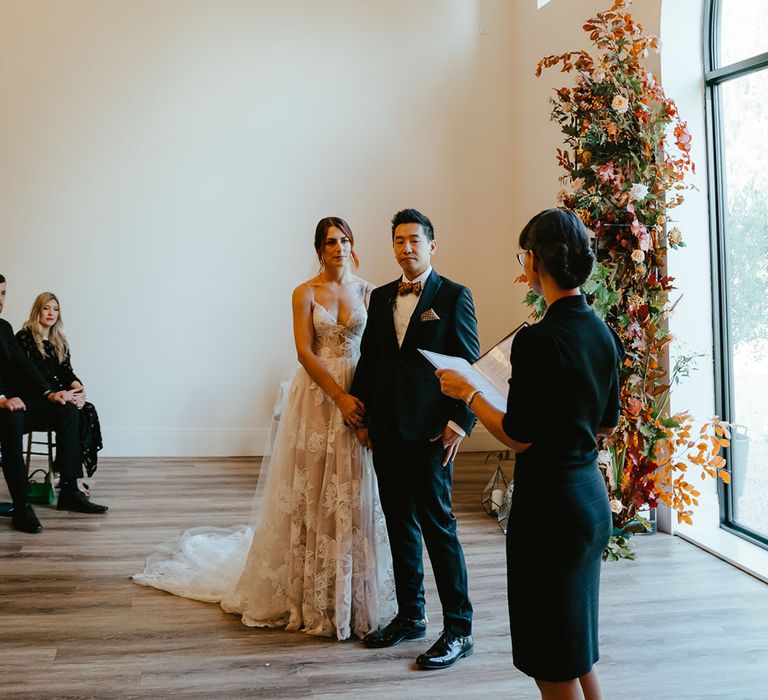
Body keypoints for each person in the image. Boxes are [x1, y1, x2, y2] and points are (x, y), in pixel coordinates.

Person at [134, 217, 396, 640]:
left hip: (359, 390)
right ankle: (307, 588)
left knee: (353, 488)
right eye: (331, 242)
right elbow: (304, 352)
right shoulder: (305, 292)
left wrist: (364, 400)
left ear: (353, 244)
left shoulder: (369, 291)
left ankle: (347, 591)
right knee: (313, 485)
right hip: (318, 395)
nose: (339, 248)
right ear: (318, 249)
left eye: (345, 240)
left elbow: (379, 352)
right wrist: (339, 397)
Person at [436, 208, 622, 700]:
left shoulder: (538, 340)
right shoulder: (603, 333)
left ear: (536, 261)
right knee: (577, 643)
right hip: (589, 502)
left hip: (550, 512)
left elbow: (518, 436)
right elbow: (607, 424)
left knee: (551, 662)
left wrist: (468, 392)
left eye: (525, 256)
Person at [351, 209, 480, 670]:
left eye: (414, 240)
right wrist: (362, 418)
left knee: (439, 530)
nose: (406, 248)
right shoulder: (381, 296)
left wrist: (460, 421)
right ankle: (411, 616)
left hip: (430, 434)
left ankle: (459, 630)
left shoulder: (454, 296)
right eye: (399, 241)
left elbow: (469, 363)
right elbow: (369, 361)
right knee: (400, 525)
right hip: (386, 430)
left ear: (432, 244)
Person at [0, 274, 108, 534]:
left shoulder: (3, 328)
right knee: (11, 418)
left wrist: (52, 393)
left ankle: (70, 490)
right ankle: (21, 505)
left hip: (16, 402)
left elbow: (23, 365)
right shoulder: (26, 335)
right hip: (3, 406)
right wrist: (1, 399)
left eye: (3, 293)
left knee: (68, 410)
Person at [16, 293, 103, 480]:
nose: (51, 313)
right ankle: (68, 478)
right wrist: (55, 393)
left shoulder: (59, 340)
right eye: (46, 308)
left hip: (59, 395)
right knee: (70, 410)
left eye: (55, 309)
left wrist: (79, 389)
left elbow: (66, 371)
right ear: (37, 310)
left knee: (85, 409)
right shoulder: (25, 337)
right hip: (35, 396)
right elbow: (31, 373)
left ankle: (62, 471)